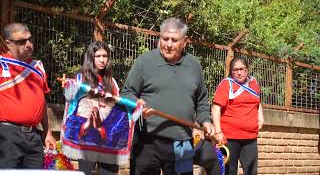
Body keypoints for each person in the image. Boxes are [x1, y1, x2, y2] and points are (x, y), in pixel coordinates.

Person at [121, 17, 219, 175]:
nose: (168, 44)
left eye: (174, 40)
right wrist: (136, 103)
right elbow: (126, 93)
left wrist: (206, 121)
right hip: (147, 141)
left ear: (184, 42)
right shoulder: (144, 62)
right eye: (164, 38)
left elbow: (201, 101)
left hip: (182, 143)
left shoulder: (194, 65)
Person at [0, 22, 56, 168]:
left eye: (30, 39)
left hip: (34, 137)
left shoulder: (38, 67)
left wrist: (48, 133)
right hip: (6, 135)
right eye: (22, 42)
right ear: (8, 44)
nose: (29, 44)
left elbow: (42, 102)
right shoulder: (1, 64)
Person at [61, 41, 121, 175]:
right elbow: (71, 105)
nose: (102, 59)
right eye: (98, 56)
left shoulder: (112, 82)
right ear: (91, 57)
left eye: (105, 56)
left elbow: (117, 109)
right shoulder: (80, 78)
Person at [212, 56, 264, 175]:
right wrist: (218, 132)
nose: (239, 73)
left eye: (242, 69)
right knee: (229, 171)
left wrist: (261, 117)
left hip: (250, 138)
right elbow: (216, 109)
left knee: (252, 172)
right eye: (235, 70)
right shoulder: (226, 85)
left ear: (247, 69)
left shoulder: (254, 83)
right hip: (229, 138)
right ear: (231, 71)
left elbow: (258, 101)